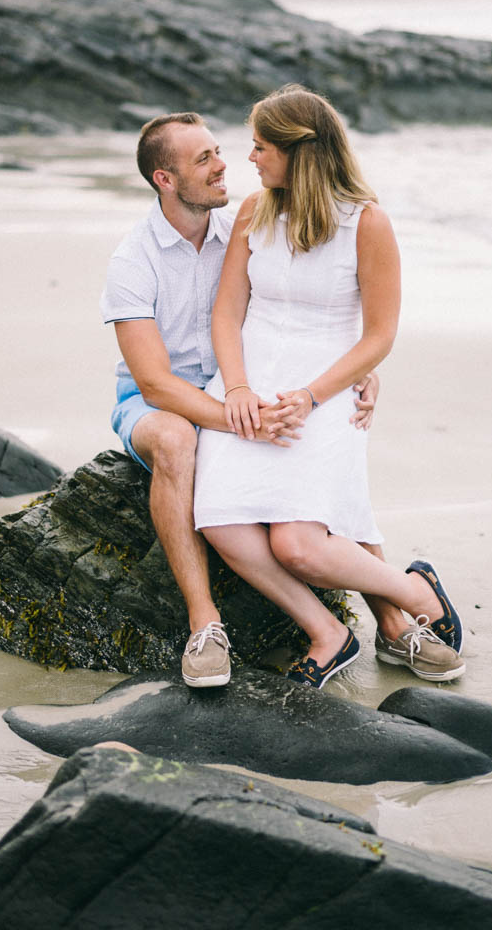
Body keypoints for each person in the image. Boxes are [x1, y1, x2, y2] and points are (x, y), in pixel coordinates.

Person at [194, 85, 465, 688]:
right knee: (220, 519)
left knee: (299, 546)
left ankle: (414, 591)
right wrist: (236, 389)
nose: (251, 159)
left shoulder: (367, 223)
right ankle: (328, 633)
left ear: (299, 151)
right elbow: (226, 314)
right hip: (248, 385)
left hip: (326, 391)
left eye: (261, 146)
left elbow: (379, 336)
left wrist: (313, 397)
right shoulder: (253, 211)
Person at [100, 111, 379, 688]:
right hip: (164, 402)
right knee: (177, 439)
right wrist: (238, 419)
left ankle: (394, 616)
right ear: (165, 180)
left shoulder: (248, 224)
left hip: (242, 389)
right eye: (204, 159)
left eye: (220, 151)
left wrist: (362, 370)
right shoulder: (133, 260)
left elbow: (303, 312)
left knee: (326, 446)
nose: (225, 164)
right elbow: (153, 383)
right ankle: (206, 625)